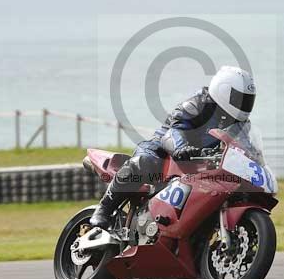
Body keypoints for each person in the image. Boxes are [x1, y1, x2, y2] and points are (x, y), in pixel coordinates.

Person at [89, 65, 256, 228]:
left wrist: (255, 162)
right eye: (240, 99)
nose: (244, 105)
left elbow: (245, 146)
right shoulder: (199, 104)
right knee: (144, 162)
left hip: (203, 160)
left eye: (248, 100)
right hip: (166, 148)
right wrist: (181, 148)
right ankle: (104, 209)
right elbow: (176, 129)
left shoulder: (240, 123)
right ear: (224, 91)